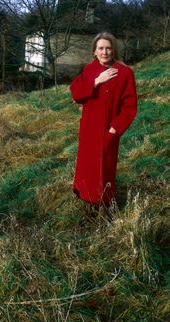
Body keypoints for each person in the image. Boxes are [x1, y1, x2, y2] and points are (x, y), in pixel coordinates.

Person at [70, 32, 137, 207]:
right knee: (87, 169)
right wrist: (96, 81)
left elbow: (130, 107)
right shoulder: (89, 70)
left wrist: (114, 130)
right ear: (94, 51)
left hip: (108, 131)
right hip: (88, 130)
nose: (105, 52)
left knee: (105, 170)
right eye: (101, 48)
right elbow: (75, 92)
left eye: (108, 48)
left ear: (114, 50)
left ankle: (105, 208)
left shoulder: (124, 73)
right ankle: (88, 206)